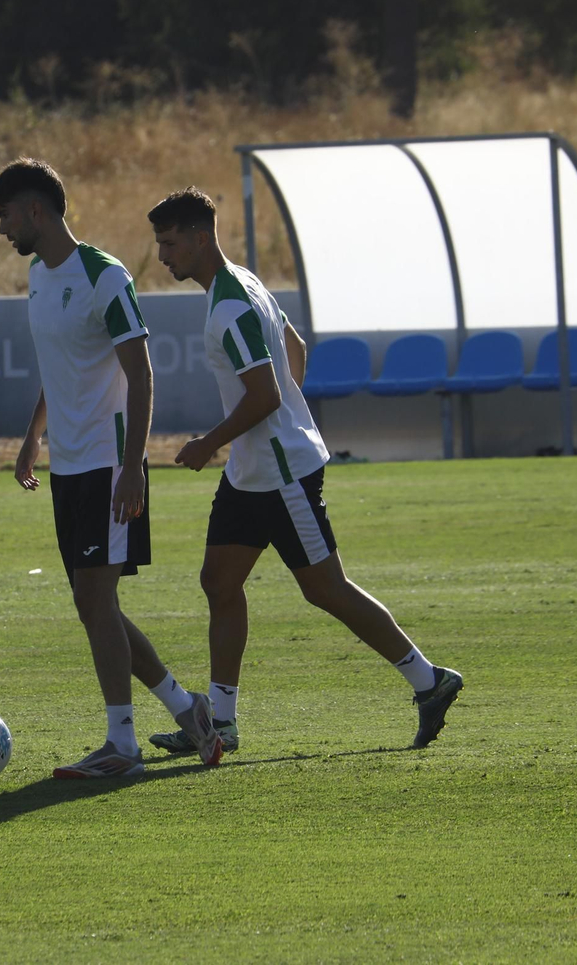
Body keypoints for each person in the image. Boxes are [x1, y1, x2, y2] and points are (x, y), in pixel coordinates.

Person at [143, 187, 463, 754]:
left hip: (281, 474)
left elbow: (264, 394)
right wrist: (285, 412)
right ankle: (221, 723)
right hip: (253, 470)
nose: (162, 256)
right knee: (219, 582)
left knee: (325, 590)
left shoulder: (231, 304)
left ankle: (429, 681)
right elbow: (296, 348)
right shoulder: (243, 283)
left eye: (169, 244)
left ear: (198, 237)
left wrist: (209, 443)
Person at [0, 158, 222, 777]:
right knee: (95, 607)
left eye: (5, 216)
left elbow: (141, 374)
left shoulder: (105, 277)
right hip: (68, 465)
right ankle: (186, 708)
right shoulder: (40, 275)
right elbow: (57, 365)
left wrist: (132, 468)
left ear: (35, 209)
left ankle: (123, 746)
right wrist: (33, 436)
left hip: (108, 464)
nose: (2, 230)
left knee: (96, 599)